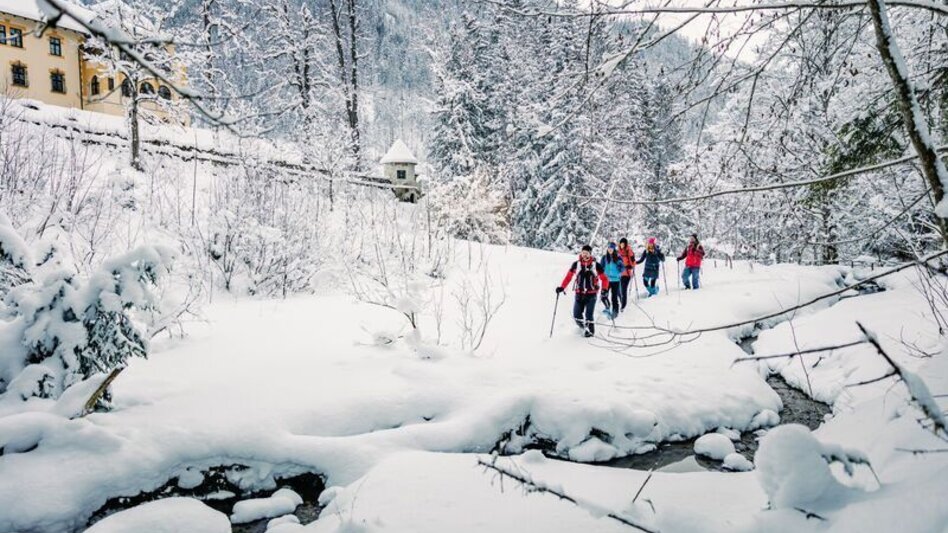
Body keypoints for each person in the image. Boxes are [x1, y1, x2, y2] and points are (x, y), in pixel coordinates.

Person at [556, 244, 610, 337]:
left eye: (587, 253)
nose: (584, 255)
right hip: (579, 294)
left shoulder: (596, 265)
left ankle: (590, 333)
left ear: (590, 254)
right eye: (583, 253)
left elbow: (605, 279)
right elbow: (568, 277)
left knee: (589, 316)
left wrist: (604, 289)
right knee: (576, 316)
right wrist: (562, 287)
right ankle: (584, 327)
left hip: (591, 295)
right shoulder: (576, 264)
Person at [600, 242, 625, 317]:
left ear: (614, 249)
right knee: (603, 296)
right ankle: (607, 307)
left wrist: (620, 266)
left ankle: (615, 312)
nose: (610, 250)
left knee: (614, 297)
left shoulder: (618, 257)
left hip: (615, 280)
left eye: (611, 248)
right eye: (609, 248)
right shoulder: (604, 257)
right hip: (606, 280)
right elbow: (600, 268)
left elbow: (622, 269)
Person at [617, 237, 636, 310]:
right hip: (619, 274)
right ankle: (622, 302)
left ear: (625, 244)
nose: (622, 245)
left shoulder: (629, 251)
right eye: (621, 243)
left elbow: (633, 262)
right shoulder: (618, 252)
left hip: (627, 274)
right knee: (618, 290)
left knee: (623, 290)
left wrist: (630, 266)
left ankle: (623, 306)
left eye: (623, 244)